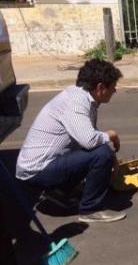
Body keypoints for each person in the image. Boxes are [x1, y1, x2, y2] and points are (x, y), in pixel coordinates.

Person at [16, 59, 126, 223]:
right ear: (100, 88)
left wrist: (111, 160)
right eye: (112, 87)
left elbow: (86, 140)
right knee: (103, 154)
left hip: (44, 165)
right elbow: (89, 141)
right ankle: (90, 210)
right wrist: (112, 135)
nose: (115, 90)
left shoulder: (83, 97)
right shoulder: (76, 102)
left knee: (101, 152)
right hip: (36, 171)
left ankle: (60, 193)